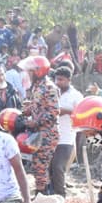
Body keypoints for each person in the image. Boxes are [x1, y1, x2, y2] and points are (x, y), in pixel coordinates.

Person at [19, 55, 60, 194]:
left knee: (41, 166)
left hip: (47, 134)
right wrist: (26, 111)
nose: (28, 74)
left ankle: (44, 195)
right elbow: (38, 106)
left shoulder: (49, 87)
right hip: (38, 133)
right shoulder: (36, 87)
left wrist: (35, 122)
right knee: (37, 166)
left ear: (38, 71)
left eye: (30, 71)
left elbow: (53, 112)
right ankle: (42, 193)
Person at [50, 67, 83, 197]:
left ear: (69, 80)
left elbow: (81, 115)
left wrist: (66, 111)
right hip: (50, 136)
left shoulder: (76, 96)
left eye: (61, 79)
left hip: (66, 137)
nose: (58, 82)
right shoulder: (51, 92)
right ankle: (50, 196)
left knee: (58, 167)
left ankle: (61, 196)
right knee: (49, 168)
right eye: (56, 79)